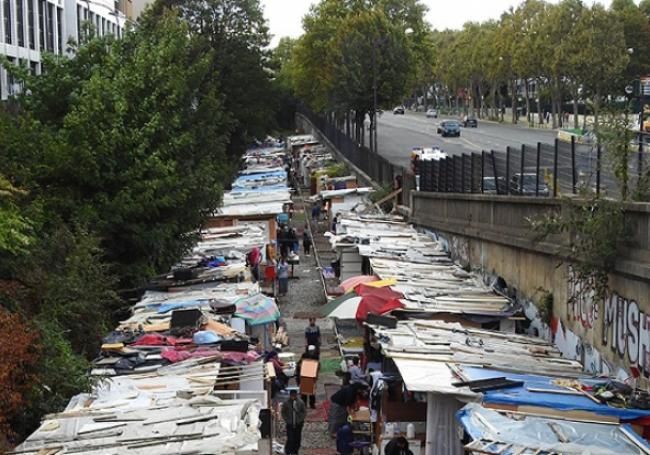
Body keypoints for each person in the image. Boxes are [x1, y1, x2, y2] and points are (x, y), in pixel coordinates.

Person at [281, 390, 306, 455]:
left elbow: (304, 412)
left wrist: (300, 419)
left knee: (297, 438)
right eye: (292, 396)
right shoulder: (286, 403)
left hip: (298, 423)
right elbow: (283, 412)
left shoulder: (300, 402)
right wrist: (287, 420)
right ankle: (288, 451)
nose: (293, 397)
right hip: (290, 423)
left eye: (294, 396)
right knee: (290, 438)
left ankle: (295, 450)